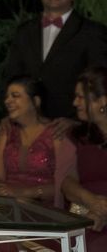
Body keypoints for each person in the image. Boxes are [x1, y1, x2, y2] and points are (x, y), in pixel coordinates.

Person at [5, 0, 107, 121]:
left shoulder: (92, 32)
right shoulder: (24, 31)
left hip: (72, 127)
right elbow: (12, 75)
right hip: (28, 124)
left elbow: (99, 82)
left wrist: (76, 121)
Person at [0, 76, 73, 207]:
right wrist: (0, 189)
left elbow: (66, 184)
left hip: (46, 211)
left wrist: (26, 192)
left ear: (36, 101)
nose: (7, 101)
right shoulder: (6, 132)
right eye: (7, 97)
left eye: (15, 96)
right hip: (10, 207)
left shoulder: (56, 132)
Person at [62, 66, 107, 251]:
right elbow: (67, 183)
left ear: (102, 101)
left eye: (81, 97)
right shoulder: (75, 136)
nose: (75, 103)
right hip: (88, 217)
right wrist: (92, 203)